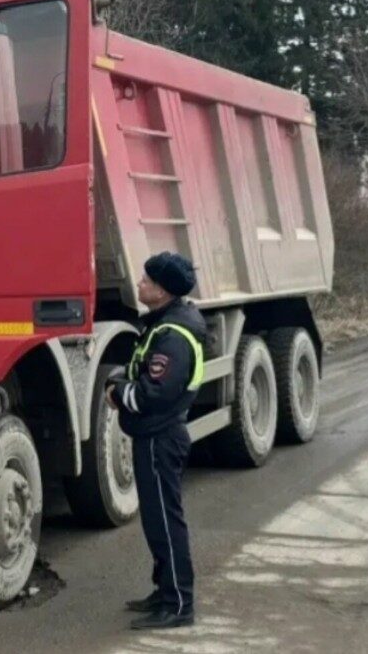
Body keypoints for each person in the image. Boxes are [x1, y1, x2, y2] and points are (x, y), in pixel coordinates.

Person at [106, 251, 205, 630]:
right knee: (156, 521)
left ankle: (179, 604)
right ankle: (164, 591)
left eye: (147, 280)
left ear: (162, 291)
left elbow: (154, 393)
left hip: (160, 436)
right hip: (154, 435)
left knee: (166, 522)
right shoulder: (166, 322)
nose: (140, 284)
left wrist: (117, 394)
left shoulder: (174, 336)